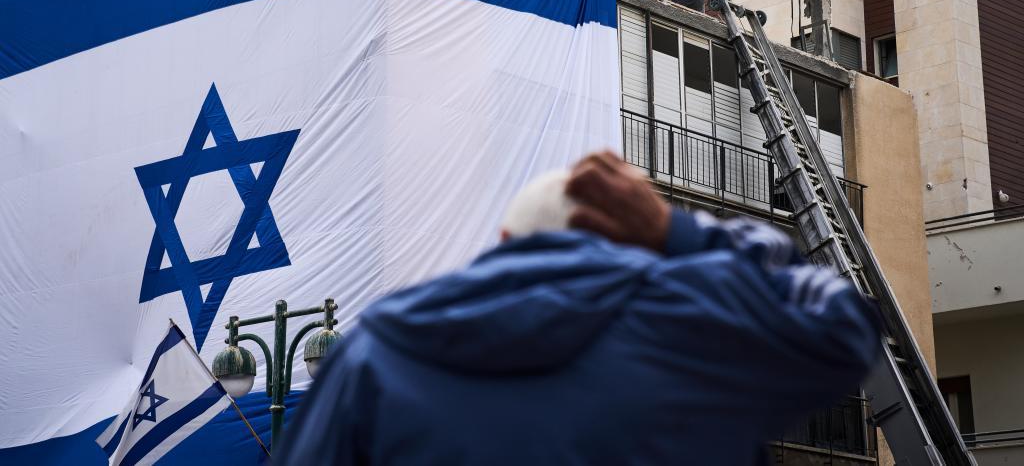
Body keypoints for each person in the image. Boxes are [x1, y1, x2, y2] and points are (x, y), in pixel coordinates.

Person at [279, 152, 880, 466]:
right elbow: (844, 324)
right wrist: (680, 233)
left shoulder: (373, 355)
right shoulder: (696, 318)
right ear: (627, 240)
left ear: (507, 242)